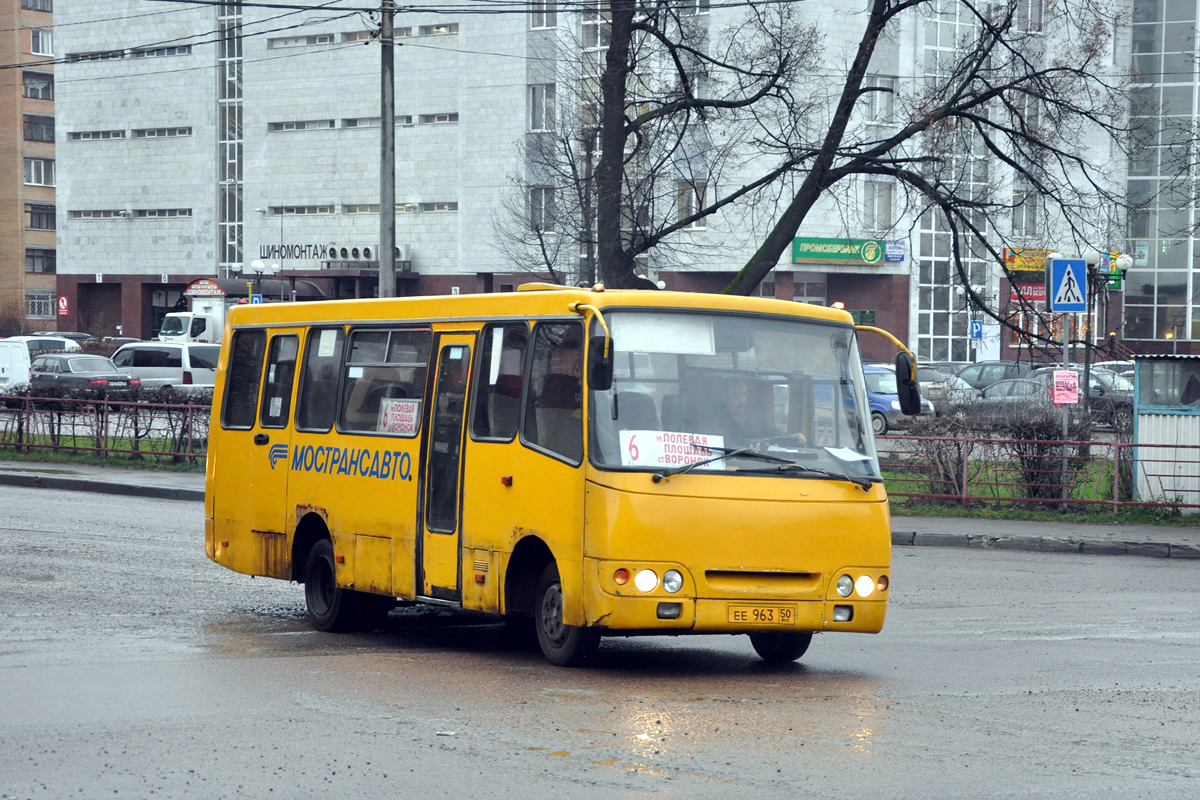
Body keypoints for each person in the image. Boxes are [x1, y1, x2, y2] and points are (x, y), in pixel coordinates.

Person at [709, 379, 805, 448]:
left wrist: (793, 438)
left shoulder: (759, 417)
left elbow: (776, 435)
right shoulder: (716, 422)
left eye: (744, 394)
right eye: (736, 396)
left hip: (760, 468)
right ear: (725, 398)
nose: (742, 401)